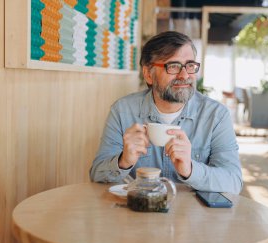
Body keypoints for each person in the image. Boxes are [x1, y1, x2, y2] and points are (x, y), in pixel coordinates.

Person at [90, 31, 242, 194]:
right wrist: (124, 161)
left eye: (190, 65)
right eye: (173, 66)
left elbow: (233, 181)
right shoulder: (123, 111)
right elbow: (97, 175)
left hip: (194, 216)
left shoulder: (216, 116)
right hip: (138, 214)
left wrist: (190, 170)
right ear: (148, 74)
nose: (184, 75)